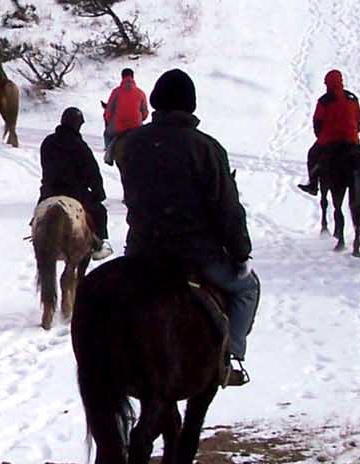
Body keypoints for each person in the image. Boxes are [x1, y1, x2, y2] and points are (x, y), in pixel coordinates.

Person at [116, 68, 260, 387]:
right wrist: (240, 252)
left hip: (142, 250)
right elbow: (226, 208)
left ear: (155, 103)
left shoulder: (132, 145)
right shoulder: (206, 148)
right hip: (195, 254)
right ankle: (229, 357)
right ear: (190, 106)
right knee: (248, 288)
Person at [38, 105, 109, 246]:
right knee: (100, 212)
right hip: (75, 194)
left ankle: (38, 237)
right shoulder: (80, 147)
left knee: (39, 216)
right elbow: (93, 174)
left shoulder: (47, 142)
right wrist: (99, 193)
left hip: (49, 192)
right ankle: (98, 246)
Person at [296, 68, 360, 194]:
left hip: (329, 139)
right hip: (351, 139)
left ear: (328, 83)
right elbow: (359, 119)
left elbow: (317, 122)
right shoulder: (353, 98)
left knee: (312, 154)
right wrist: (354, 133)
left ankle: (313, 184)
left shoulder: (324, 100)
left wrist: (320, 137)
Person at [100, 67, 149, 165]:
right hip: (136, 127)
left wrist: (110, 122)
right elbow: (145, 113)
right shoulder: (141, 93)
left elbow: (109, 111)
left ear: (122, 77)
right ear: (133, 77)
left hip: (119, 126)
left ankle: (109, 157)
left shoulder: (116, 92)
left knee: (107, 134)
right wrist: (140, 119)